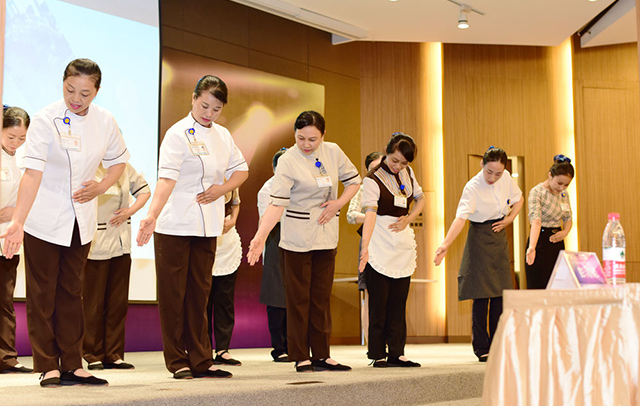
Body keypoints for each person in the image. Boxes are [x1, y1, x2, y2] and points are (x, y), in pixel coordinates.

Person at [1, 58, 129, 387]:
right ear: (62, 83)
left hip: (80, 220)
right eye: (70, 90)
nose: (76, 98)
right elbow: (32, 174)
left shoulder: (105, 120)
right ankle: (48, 365)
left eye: (85, 93)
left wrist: (101, 186)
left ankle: (73, 363)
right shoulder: (45, 119)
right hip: (44, 218)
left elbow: (119, 162)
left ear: (97, 92)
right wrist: (18, 221)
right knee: (42, 294)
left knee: (72, 292)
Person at [136, 75, 248, 380]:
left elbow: (242, 171)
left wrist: (221, 189)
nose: (209, 113)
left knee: (200, 294)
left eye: (216, 109)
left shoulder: (223, 136)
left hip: (208, 226)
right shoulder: (176, 134)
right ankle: (177, 360)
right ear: (194, 99)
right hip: (174, 224)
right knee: (174, 295)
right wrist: (151, 215)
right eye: (204, 106)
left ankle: (201, 359)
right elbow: (166, 180)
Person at [247, 111, 361, 373]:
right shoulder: (288, 160)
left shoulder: (333, 151)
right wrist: (260, 236)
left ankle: (321, 354)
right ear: (294, 135)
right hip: (296, 238)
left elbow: (354, 182)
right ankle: (300, 355)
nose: (306, 144)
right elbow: (276, 204)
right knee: (298, 299)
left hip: (326, 234)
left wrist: (338, 203)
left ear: (323, 135)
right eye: (301, 138)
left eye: (312, 139)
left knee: (320, 298)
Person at [434, 146, 522, 362]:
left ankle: (498, 345)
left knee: (500, 294)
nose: (493, 177)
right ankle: (482, 347)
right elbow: (460, 218)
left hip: (499, 235)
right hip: (479, 236)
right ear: (482, 164)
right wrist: (445, 244)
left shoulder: (506, 178)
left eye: (498, 173)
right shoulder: (472, 187)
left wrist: (510, 219)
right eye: (489, 172)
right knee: (481, 295)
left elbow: (519, 199)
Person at [358, 134, 424, 368]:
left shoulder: (408, 173)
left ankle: (397, 352)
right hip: (379, 240)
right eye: (395, 160)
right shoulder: (372, 179)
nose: (398, 166)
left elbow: (421, 199)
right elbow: (370, 213)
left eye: (404, 163)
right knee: (379, 301)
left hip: (401, 243)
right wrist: (365, 247)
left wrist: (409, 218)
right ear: (386, 153)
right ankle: (377, 353)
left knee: (398, 300)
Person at [83, 163, 150, 371]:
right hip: (96, 244)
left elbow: (145, 191)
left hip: (122, 243)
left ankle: (113, 354)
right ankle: (92, 353)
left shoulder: (125, 168)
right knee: (93, 303)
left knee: (117, 302)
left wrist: (130, 211)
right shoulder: (89, 167)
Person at [0, 106, 32, 374]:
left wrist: (16, 212)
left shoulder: (26, 160)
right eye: (11, 137)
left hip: (9, 240)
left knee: (5, 300)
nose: (16, 143)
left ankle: (6, 357)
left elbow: (34, 195)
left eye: (22, 138)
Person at [346, 151, 383, 344]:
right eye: (373, 169)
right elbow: (351, 215)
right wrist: (373, 217)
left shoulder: (395, 187)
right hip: (370, 243)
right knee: (370, 293)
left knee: (390, 294)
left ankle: (389, 342)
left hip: (390, 244)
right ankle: (372, 344)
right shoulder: (363, 188)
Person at [257, 148, 289, 362]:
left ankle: (295, 344)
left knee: (295, 296)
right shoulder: (267, 189)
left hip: (299, 240)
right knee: (277, 296)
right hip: (275, 238)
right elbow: (269, 220)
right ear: (274, 168)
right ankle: (279, 347)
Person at [525, 155, 574, 289]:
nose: (562, 188)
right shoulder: (537, 192)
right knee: (538, 286)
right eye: (559, 183)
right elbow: (536, 221)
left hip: (557, 242)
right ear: (550, 175)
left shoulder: (564, 194)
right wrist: (532, 247)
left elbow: (568, 218)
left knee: (557, 286)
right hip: (539, 240)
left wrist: (565, 232)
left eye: (566, 185)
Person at [207, 188, 242, 367]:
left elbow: (235, 203)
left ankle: (222, 349)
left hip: (226, 242)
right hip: (203, 238)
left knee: (225, 300)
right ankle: (203, 349)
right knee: (202, 302)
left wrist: (233, 220)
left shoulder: (232, 180)